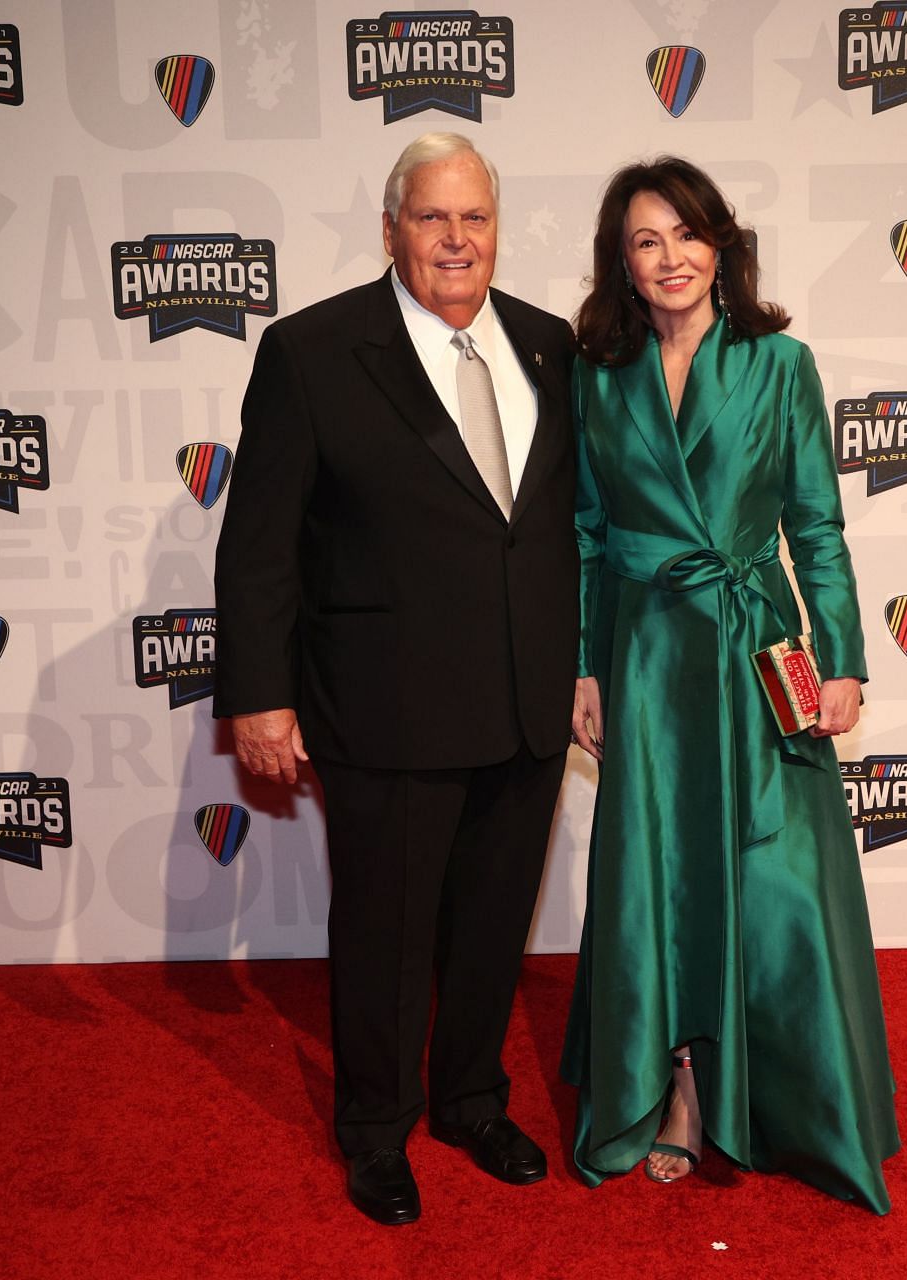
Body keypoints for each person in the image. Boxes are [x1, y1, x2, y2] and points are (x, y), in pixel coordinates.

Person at [213, 133, 578, 1226]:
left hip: (526, 700)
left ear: (497, 230)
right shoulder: (315, 350)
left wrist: (589, 663)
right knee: (384, 936)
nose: (456, 240)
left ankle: (470, 1099)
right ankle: (376, 1127)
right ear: (391, 229)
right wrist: (257, 692)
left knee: (489, 926)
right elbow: (259, 542)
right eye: (432, 218)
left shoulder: (552, 346)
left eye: (474, 219)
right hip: (385, 703)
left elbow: (567, 527)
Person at [560, 157, 901, 1211]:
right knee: (657, 880)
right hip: (648, 653)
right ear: (623, 262)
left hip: (757, 652)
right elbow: (582, 532)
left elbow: (817, 524)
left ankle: (785, 1096)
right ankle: (673, 1086)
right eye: (645, 240)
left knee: (770, 879)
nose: (671, 258)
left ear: (723, 245)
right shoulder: (595, 373)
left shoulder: (777, 362)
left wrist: (838, 656)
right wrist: (581, 661)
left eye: (687, 234)